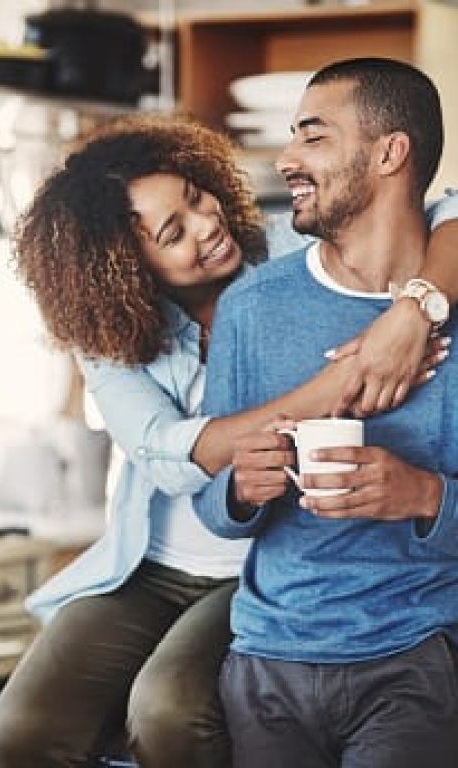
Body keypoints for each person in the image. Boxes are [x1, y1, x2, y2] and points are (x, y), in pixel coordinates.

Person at [0, 112, 458, 768]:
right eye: (173, 232)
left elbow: (448, 210)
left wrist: (413, 309)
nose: (207, 225)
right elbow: (174, 454)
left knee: (168, 709)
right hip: (150, 566)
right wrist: (353, 373)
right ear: (123, 269)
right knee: (22, 731)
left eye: (197, 197)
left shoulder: (296, 257)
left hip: (255, 567)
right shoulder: (106, 337)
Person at [194, 57, 458, 767]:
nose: (286, 160)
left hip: (416, 661)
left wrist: (424, 495)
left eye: (313, 137)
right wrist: (240, 489)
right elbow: (211, 503)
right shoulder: (252, 308)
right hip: (266, 666)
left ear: (389, 152)